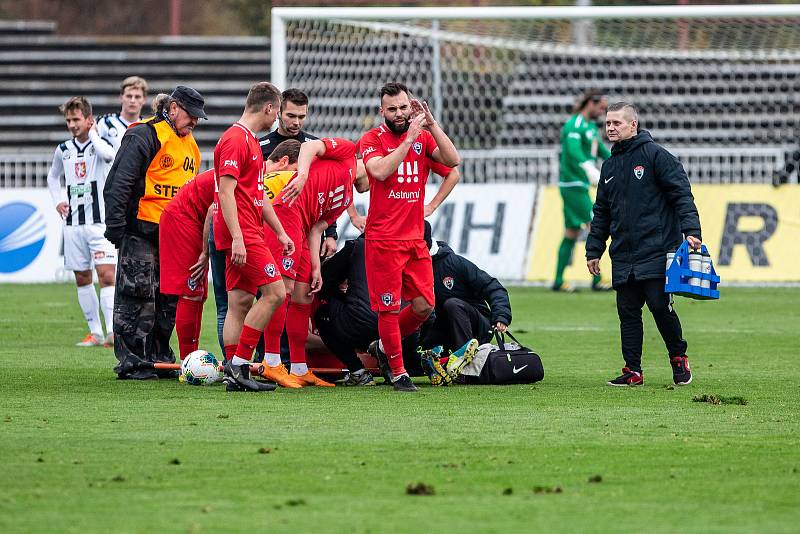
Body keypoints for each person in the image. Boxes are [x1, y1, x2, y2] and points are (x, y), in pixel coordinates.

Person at [585, 102, 701, 387]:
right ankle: (632, 370)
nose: (610, 128)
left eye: (617, 123)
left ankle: (678, 357)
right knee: (627, 312)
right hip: (624, 252)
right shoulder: (609, 166)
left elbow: (681, 195)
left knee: (661, 307)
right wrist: (594, 249)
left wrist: (692, 230)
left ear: (633, 124)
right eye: (608, 124)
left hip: (657, 250)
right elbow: (602, 211)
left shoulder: (656, 156)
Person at [360, 82, 461, 392]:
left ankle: (382, 346)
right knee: (388, 308)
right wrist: (408, 142)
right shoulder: (371, 139)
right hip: (383, 240)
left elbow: (453, 163)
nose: (400, 113)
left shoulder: (424, 136)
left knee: (424, 306)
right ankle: (398, 369)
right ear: (382, 111)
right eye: (392, 109)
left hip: (415, 239)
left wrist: (430, 124)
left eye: (404, 107)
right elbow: (379, 172)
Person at [103, 85, 205, 379]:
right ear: (173, 109)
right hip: (140, 228)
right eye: (191, 114)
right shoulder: (144, 134)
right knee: (136, 295)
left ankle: (160, 356)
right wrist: (116, 227)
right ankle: (134, 360)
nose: (195, 121)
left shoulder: (191, 145)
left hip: (175, 235)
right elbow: (120, 181)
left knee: (167, 299)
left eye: (198, 117)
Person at [261, 137, 363, 388]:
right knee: (281, 292)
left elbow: (318, 227)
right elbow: (308, 146)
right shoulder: (347, 152)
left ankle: (299, 368)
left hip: (303, 229)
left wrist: (316, 267)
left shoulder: (345, 196)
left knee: (303, 297)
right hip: (286, 212)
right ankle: (271, 362)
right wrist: (303, 175)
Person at [213, 81, 294, 392]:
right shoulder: (236, 140)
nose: (275, 121)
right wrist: (237, 238)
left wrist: (280, 231)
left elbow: (257, 198)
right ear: (269, 108)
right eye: (276, 114)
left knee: (240, 301)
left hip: (248, 230)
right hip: (243, 233)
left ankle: (236, 371)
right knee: (275, 293)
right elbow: (226, 192)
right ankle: (240, 365)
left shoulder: (250, 142)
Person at [47, 96, 117, 347]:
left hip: (100, 223)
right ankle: (95, 333)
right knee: (82, 278)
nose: (72, 125)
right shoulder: (63, 150)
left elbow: (109, 156)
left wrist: (95, 134)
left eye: (76, 119)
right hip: (73, 223)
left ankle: (111, 332)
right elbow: (53, 178)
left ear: (89, 119)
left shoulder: (100, 145)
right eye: (68, 120)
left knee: (107, 276)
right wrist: (57, 200)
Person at [421, 221, 512, 353]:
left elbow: (493, 287)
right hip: (440, 328)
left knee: (453, 304)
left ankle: (464, 359)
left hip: (476, 327)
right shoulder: (406, 265)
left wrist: (501, 316)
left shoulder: (454, 263)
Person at [553, 90, 612, 292]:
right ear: (591, 103)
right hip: (573, 184)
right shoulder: (575, 125)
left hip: (579, 185)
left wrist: (618, 159)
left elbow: (601, 151)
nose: (602, 112)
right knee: (596, 225)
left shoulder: (589, 127)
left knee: (572, 231)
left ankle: (558, 281)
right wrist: (588, 167)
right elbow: (573, 150)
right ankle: (597, 280)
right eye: (601, 108)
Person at [158, 168, 215, 360]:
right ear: (283, 161)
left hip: (192, 219)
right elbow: (213, 210)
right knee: (191, 291)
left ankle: (191, 357)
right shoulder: (251, 172)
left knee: (199, 293)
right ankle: (187, 360)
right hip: (183, 219)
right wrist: (206, 252)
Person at [97, 76, 148, 154]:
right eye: (129, 96)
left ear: (144, 100)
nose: (132, 100)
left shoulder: (148, 128)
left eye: (137, 97)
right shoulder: (105, 123)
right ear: (121, 97)